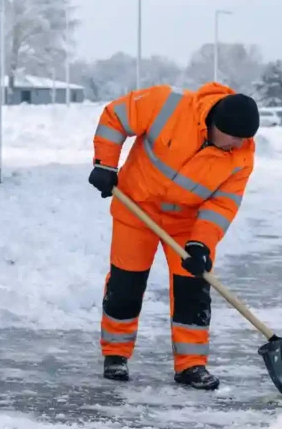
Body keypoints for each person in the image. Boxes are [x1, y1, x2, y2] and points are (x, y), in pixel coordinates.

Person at [87, 82, 259, 390]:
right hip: (136, 206)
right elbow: (115, 117)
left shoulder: (242, 156)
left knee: (193, 288)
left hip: (186, 222)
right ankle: (115, 354)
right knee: (126, 283)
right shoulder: (167, 104)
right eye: (233, 137)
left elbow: (223, 204)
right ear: (215, 124)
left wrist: (201, 243)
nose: (238, 144)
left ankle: (191, 364)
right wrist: (105, 164)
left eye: (244, 139)